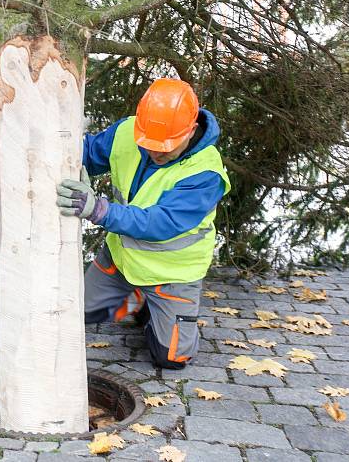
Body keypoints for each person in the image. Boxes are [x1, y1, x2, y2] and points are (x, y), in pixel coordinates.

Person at [56, 79, 231, 369]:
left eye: (166, 147)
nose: (155, 153)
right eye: (148, 144)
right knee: (79, 312)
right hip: (121, 261)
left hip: (170, 275)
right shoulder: (128, 131)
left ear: (189, 132)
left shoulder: (205, 172)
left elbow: (160, 223)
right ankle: (135, 300)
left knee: (171, 359)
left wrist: (99, 210)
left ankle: (152, 306)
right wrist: (71, 157)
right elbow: (85, 153)